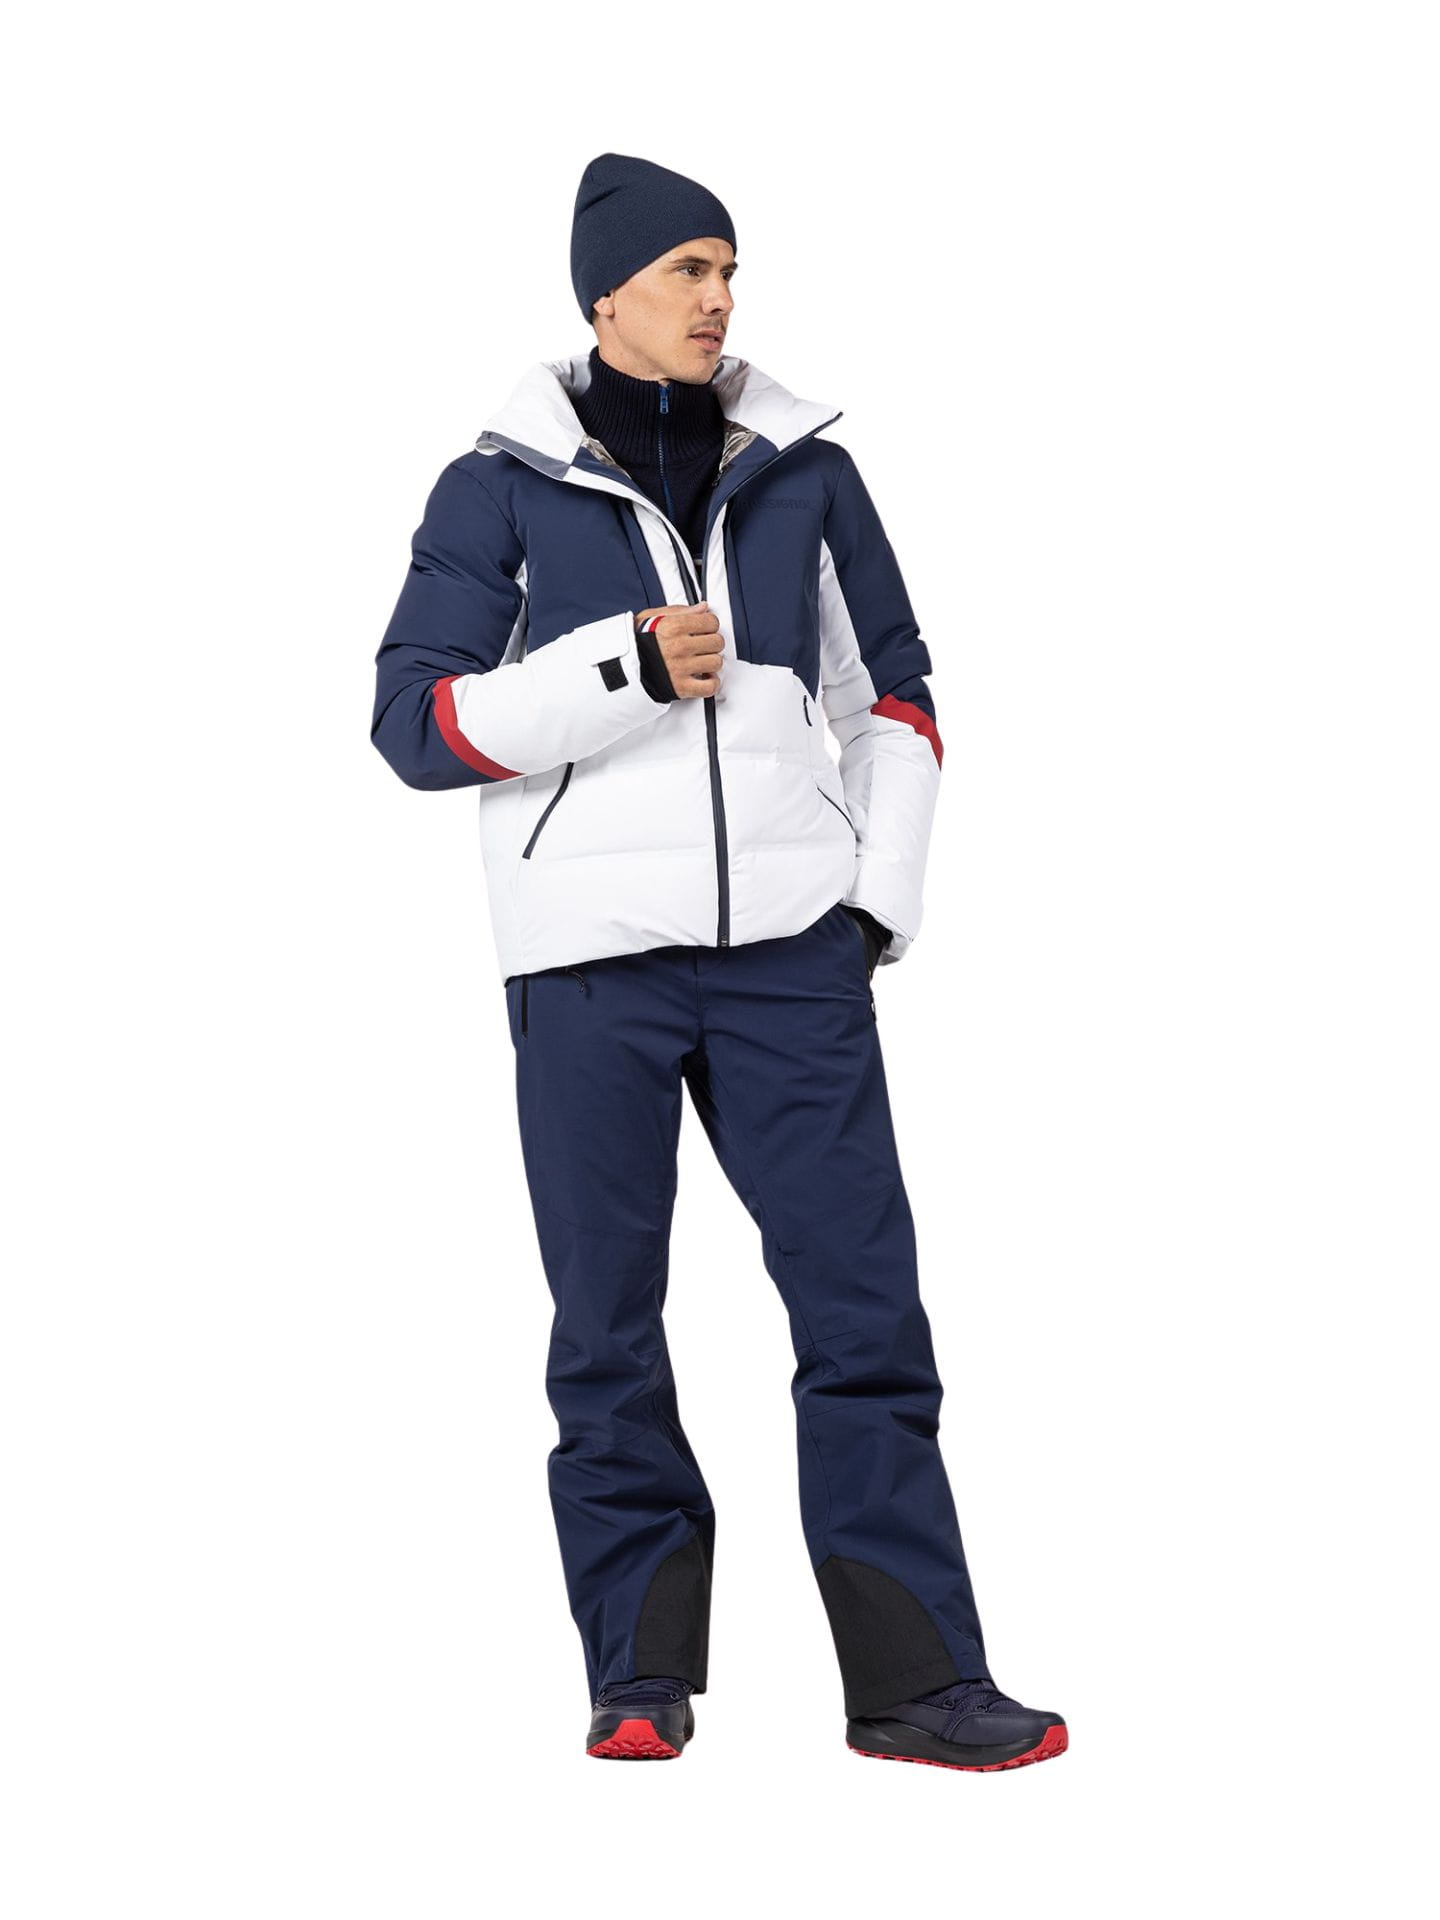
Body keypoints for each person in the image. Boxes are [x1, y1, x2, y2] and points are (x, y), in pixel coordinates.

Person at [370, 152, 1066, 1772]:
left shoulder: (806, 474)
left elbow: (895, 695)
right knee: (609, 1327)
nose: (719, 298)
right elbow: (416, 723)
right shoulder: (498, 486)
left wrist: (869, 903)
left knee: (865, 1315)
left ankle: (916, 1685)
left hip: (789, 964)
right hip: (589, 968)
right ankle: (638, 1674)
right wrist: (619, 669)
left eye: (731, 268)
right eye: (687, 269)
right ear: (604, 294)